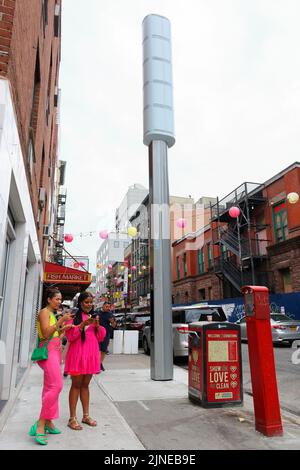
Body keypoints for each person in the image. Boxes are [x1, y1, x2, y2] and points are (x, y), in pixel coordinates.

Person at [28, 288, 74, 446]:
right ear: (49, 299)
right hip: (47, 353)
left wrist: (63, 330)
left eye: (60, 299)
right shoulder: (44, 312)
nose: (59, 301)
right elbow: (46, 334)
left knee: (50, 387)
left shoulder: (52, 314)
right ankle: (40, 424)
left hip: (54, 351)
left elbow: (53, 334)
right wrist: (61, 321)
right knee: (57, 386)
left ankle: (48, 421)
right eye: (57, 299)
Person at [64, 291, 106, 430]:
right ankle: (72, 418)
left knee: (85, 385)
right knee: (76, 385)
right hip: (77, 355)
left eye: (90, 302)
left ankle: (86, 415)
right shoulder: (73, 316)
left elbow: (100, 337)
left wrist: (98, 325)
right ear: (80, 302)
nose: (88, 305)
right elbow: (70, 337)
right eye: (86, 302)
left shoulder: (94, 317)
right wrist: (82, 324)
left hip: (90, 355)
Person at [98, 302, 116, 371]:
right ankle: (97, 364)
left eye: (109, 307)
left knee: (104, 350)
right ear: (102, 306)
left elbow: (114, 325)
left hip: (106, 334)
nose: (107, 308)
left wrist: (112, 322)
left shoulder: (110, 314)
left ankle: (100, 363)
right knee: (98, 350)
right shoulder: (98, 313)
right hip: (98, 335)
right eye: (106, 306)